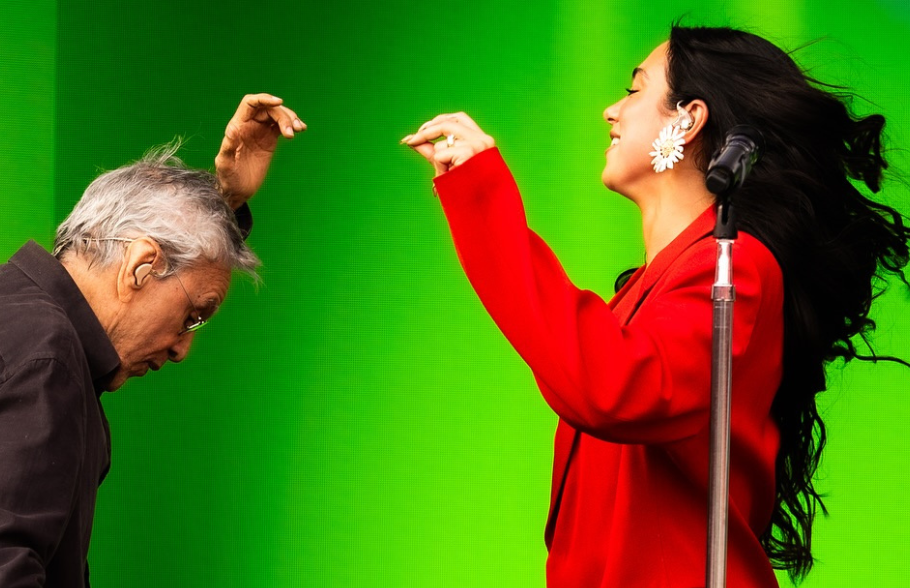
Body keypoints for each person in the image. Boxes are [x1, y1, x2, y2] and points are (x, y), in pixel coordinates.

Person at [403, 25, 910, 588]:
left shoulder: (734, 267)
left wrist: (483, 198)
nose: (609, 111)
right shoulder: (645, 293)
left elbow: (616, 389)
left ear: (687, 119)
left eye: (634, 89)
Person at [0, 94, 304, 587]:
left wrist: (226, 201)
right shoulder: (46, 359)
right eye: (192, 316)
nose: (182, 349)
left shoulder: (16, 316)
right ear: (141, 266)